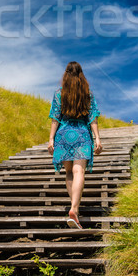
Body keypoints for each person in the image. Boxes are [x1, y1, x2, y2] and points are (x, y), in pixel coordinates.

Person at [48, 61, 102, 229]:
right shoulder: (88, 94)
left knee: (69, 172)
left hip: (63, 135)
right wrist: (98, 139)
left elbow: (55, 118)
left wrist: (51, 139)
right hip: (81, 135)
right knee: (79, 171)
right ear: (81, 75)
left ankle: (74, 209)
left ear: (65, 74)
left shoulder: (59, 94)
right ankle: (74, 209)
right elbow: (92, 118)